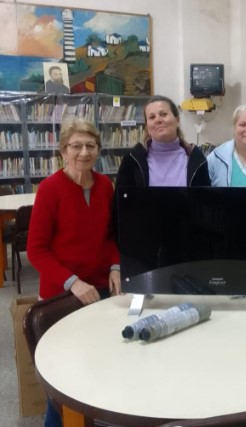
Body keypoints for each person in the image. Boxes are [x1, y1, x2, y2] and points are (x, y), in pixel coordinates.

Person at [27, 119, 121, 427]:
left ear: (99, 150)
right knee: (64, 377)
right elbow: (37, 249)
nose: (83, 152)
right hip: (61, 295)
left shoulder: (106, 186)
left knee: (100, 364)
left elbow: (111, 237)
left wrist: (115, 266)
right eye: (75, 146)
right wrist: (73, 282)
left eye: (90, 146)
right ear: (63, 152)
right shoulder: (50, 189)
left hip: (101, 292)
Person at [115, 95, 210, 188]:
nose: (158, 120)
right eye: (152, 117)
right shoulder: (132, 160)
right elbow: (122, 202)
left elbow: (205, 201)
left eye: (163, 114)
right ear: (147, 126)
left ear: (177, 120)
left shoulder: (196, 159)